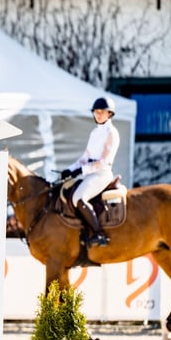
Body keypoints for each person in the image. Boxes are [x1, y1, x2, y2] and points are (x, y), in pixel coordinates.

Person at [61, 96, 120, 247]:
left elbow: (103, 161)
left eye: (102, 112)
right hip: (90, 174)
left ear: (109, 114)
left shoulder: (111, 133)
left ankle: (99, 234)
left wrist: (81, 170)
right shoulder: (94, 133)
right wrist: (71, 169)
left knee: (78, 198)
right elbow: (85, 157)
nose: (98, 115)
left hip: (102, 173)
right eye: (96, 112)